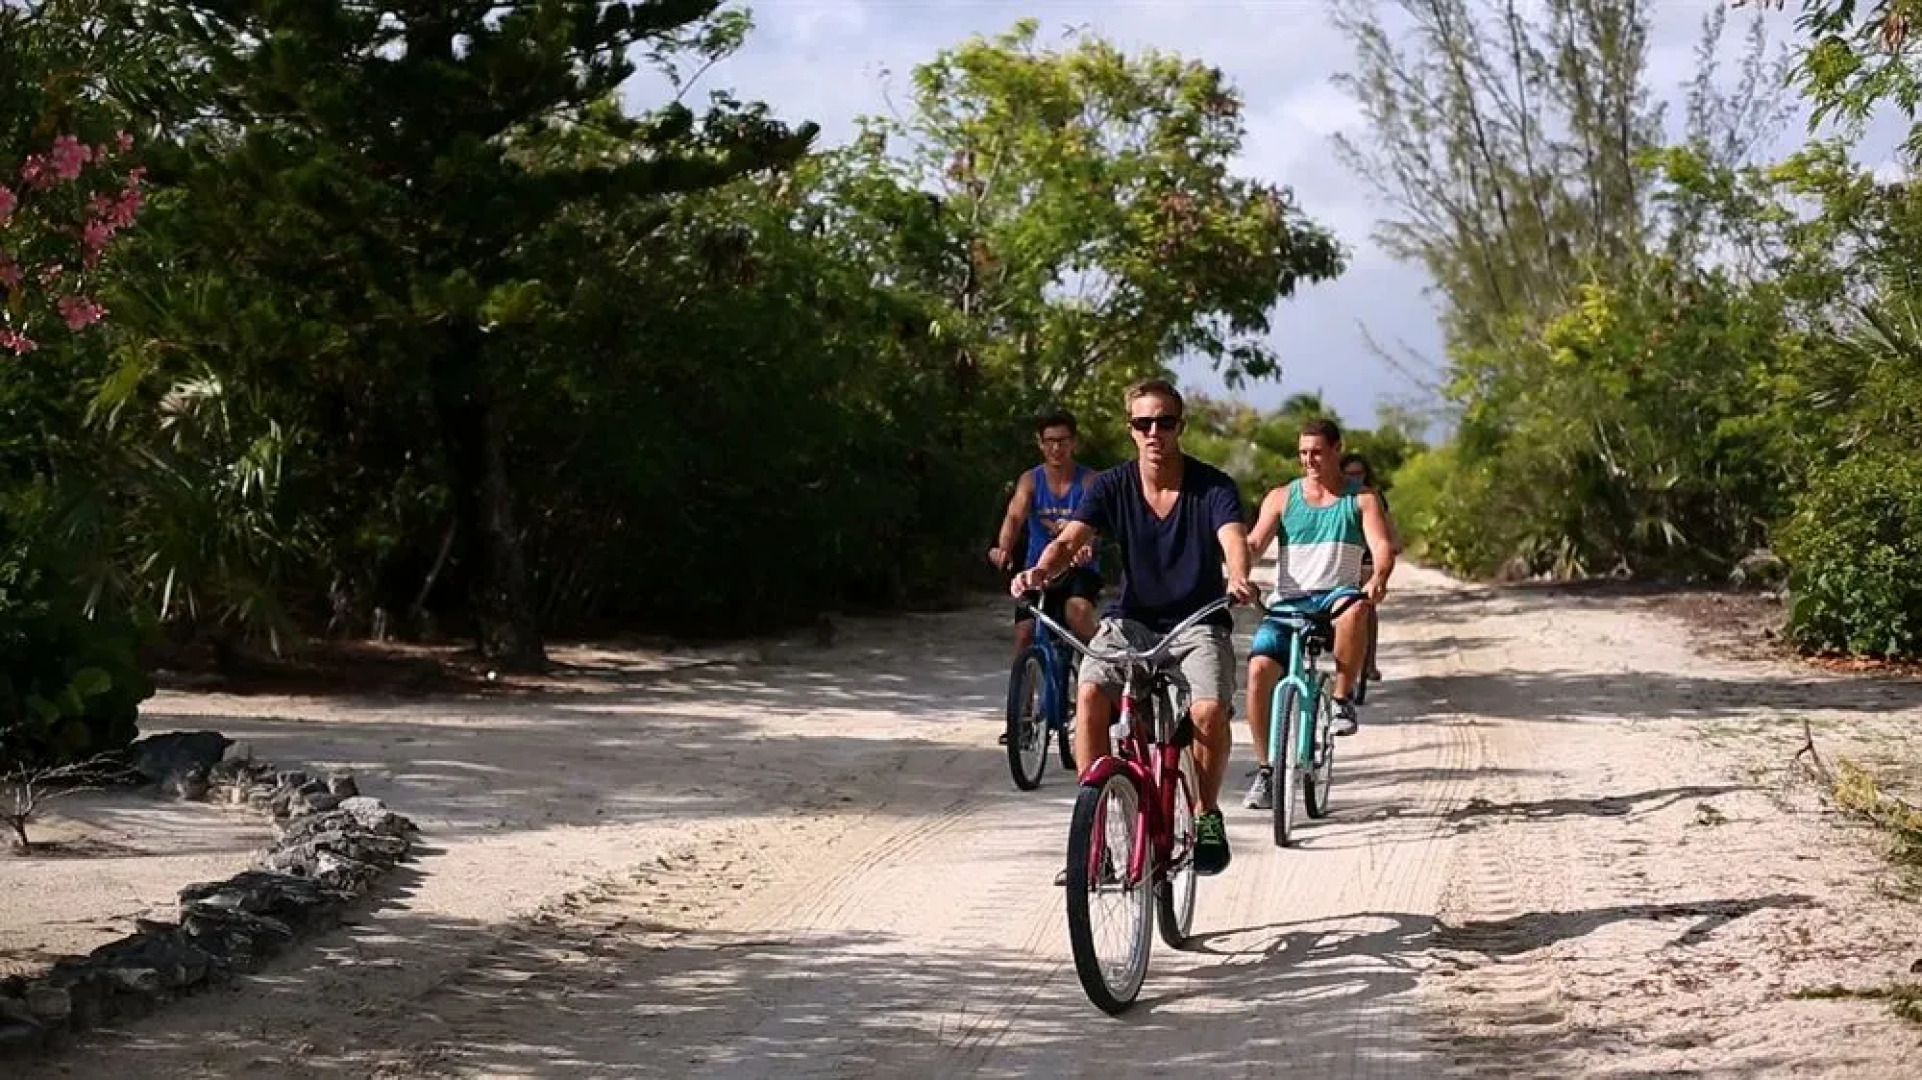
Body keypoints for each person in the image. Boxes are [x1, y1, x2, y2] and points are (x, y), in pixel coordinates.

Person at [1011, 378, 1258, 877]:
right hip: (1133, 620)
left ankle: (1207, 814)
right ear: (1131, 430)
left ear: (1180, 427)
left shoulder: (1213, 486)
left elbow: (1232, 537)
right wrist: (1041, 569)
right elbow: (1070, 538)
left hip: (1197, 621)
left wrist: (1238, 574)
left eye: (1164, 422)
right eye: (1143, 423)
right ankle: (1096, 834)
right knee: (1091, 692)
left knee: (1209, 710)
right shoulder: (1110, 485)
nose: (1154, 432)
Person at [1240, 419, 1396, 811]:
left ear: (1336, 450)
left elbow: (1380, 544)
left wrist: (1379, 575)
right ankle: (1266, 769)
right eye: (1303, 453)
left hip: (1335, 597)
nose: (1309, 460)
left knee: (1357, 608)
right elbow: (1256, 541)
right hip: (1288, 603)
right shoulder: (1281, 497)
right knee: (1259, 670)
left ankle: (1342, 699)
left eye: (1317, 452)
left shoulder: (1362, 500)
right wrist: (1238, 569)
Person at [988, 409, 1101, 657]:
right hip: (1036, 569)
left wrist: (1088, 545)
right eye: (1050, 441)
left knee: (1078, 615)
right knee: (1024, 633)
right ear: (1040, 444)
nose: (1056, 448)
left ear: (1074, 443)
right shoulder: (1030, 480)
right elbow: (1014, 517)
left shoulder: (1090, 481)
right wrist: (1004, 548)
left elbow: (1098, 522)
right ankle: (1020, 694)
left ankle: (1102, 672)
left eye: (1062, 441)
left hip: (1078, 570)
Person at [1341, 452, 1401, 683]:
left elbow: (1387, 525)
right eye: (1349, 474)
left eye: (1359, 473)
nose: (1355, 478)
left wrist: (1394, 543)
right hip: (1344, 554)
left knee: (1367, 607)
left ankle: (1370, 663)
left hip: (1368, 554)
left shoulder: (1373, 497)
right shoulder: (1337, 496)